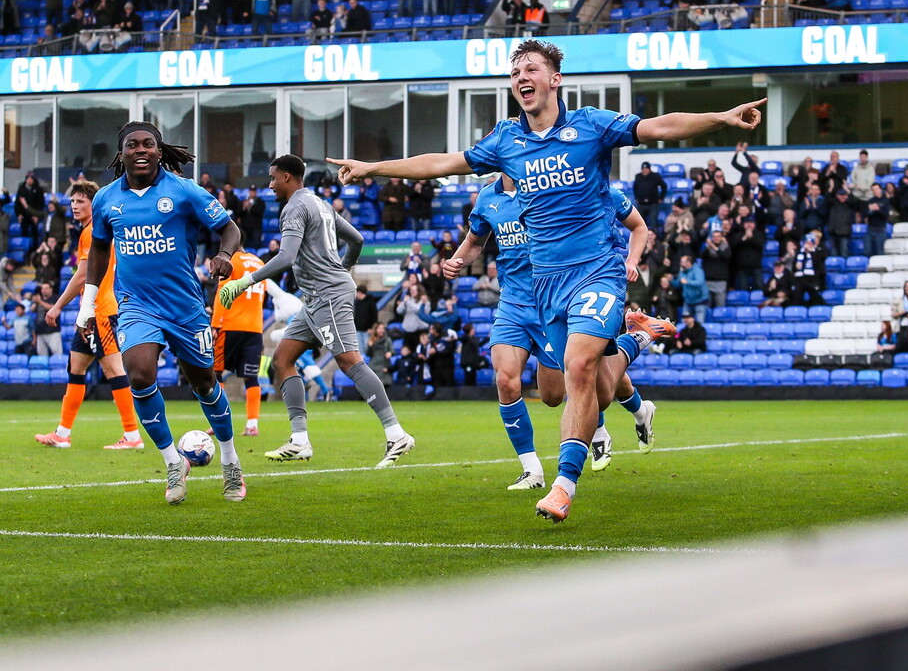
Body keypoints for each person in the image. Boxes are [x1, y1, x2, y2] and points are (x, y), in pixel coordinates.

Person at [330, 39, 762, 522]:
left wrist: (722, 117)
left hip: (597, 271)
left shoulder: (591, 126)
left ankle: (561, 485)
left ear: (555, 79)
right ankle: (636, 338)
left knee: (578, 367)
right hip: (546, 285)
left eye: (531, 69)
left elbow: (659, 126)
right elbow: (439, 163)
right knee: (586, 388)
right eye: (515, 73)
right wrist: (372, 167)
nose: (521, 78)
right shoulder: (505, 142)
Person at [443, 173, 655, 488]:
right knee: (505, 378)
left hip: (555, 299)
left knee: (566, 393)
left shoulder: (557, 188)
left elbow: (633, 226)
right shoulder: (488, 198)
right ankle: (533, 471)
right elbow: (475, 240)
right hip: (513, 302)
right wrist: (456, 260)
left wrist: (629, 260)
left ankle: (634, 348)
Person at [76, 122, 245, 504]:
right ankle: (173, 463)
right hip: (136, 306)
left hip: (184, 306)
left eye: (148, 144)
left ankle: (231, 462)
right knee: (139, 374)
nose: (141, 149)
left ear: (158, 150)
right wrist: (87, 304)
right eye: (132, 145)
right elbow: (99, 251)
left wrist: (223, 255)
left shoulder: (184, 191)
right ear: (121, 155)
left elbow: (230, 229)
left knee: (203, 383)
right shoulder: (105, 199)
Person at [218, 154, 415, 468]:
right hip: (315, 298)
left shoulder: (295, 207)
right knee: (282, 360)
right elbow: (357, 239)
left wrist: (245, 281)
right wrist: (344, 268)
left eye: (272, 178)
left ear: (287, 178)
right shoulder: (321, 203)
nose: (269, 185)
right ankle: (299, 440)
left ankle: (397, 434)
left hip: (328, 295)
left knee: (349, 360)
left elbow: (285, 258)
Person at [35, 180, 144, 449]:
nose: (74, 205)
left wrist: (58, 305)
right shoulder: (90, 231)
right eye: (72, 201)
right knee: (76, 368)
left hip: (101, 312)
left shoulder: (94, 231)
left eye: (81, 200)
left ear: (93, 204)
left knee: (113, 369)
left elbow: (83, 275)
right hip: (92, 313)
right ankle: (62, 433)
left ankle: (132, 435)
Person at [210, 237, 265, 438]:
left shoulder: (230, 262)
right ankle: (252, 424)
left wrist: (215, 324)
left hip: (230, 325)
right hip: (255, 327)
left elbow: (221, 293)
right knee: (251, 377)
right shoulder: (259, 262)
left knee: (215, 374)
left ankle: (219, 421)